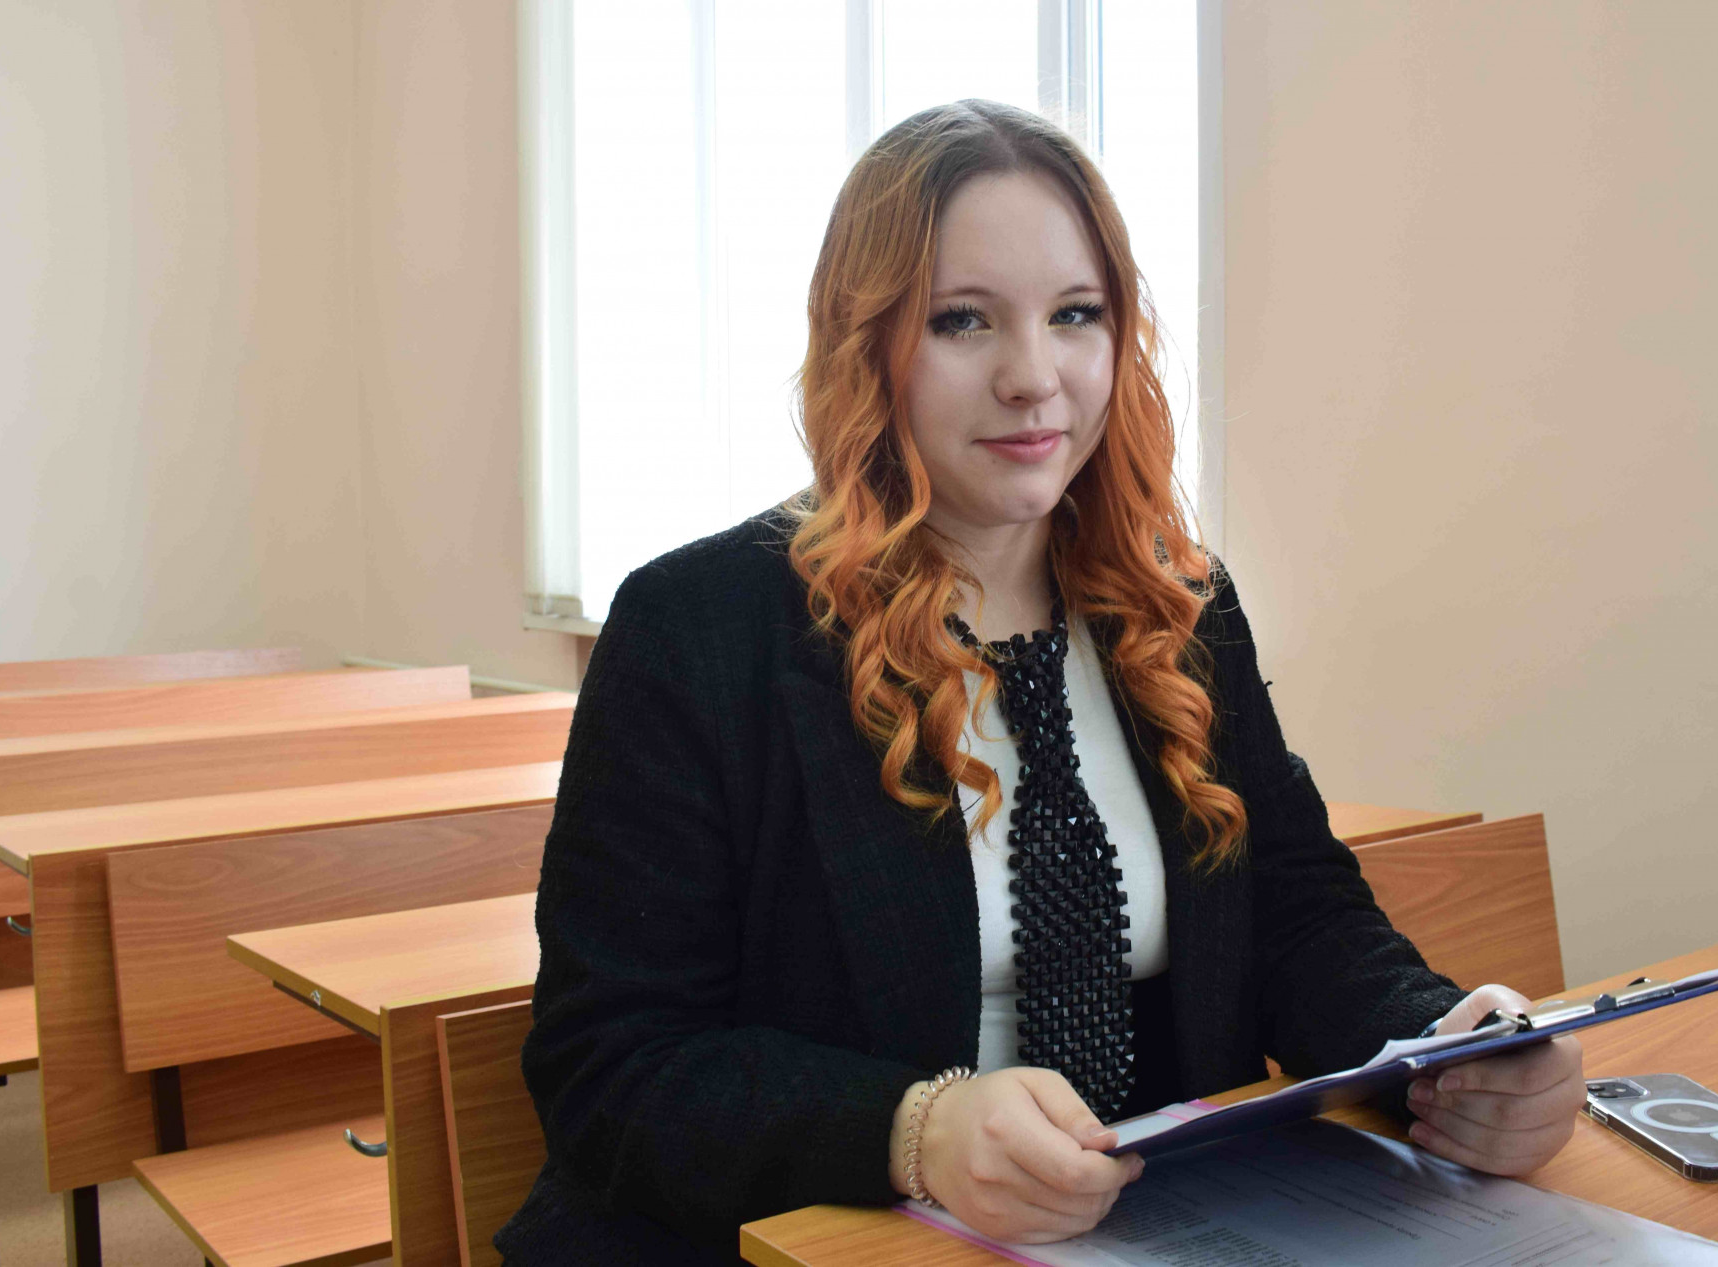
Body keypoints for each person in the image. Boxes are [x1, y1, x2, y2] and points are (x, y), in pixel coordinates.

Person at [496, 100, 1585, 1266]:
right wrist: (912, 1131)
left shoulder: (1178, 601)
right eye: (961, 320)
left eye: (1075, 314)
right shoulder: (699, 627)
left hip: (1154, 1226)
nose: (1033, 377)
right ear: (865, 345)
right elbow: (612, 1063)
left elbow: (1294, 914)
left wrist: (1442, 1050)